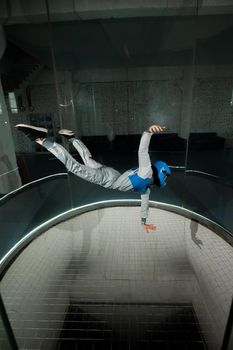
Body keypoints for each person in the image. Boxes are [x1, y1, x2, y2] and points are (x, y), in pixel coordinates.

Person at [16, 123, 171, 231]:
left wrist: (144, 222)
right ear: (161, 172)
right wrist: (149, 132)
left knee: (88, 160)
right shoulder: (147, 173)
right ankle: (42, 139)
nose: (166, 181)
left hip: (113, 173)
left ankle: (72, 138)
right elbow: (142, 151)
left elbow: (145, 206)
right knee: (74, 167)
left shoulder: (147, 189)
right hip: (109, 180)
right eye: (166, 177)